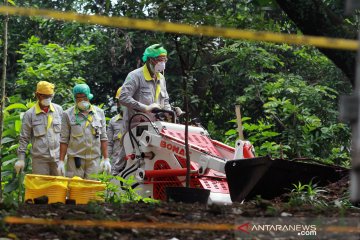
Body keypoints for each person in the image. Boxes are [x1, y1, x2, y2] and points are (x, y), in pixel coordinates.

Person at [59, 83, 110, 179]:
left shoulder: (99, 113)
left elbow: (103, 137)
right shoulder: (67, 114)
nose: (82, 100)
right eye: (78, 98)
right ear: (75, 98)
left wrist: (106, 158)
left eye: (84, 97)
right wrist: (61, 161)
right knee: (75, 189)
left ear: (89, 97)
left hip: (94, 160)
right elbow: (64, 140)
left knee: (91, 190)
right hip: (75, 160)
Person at [119, 43, 172, 132]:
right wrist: (145, 108)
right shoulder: (135, 76)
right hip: (135, 129)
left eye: (164, 60)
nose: (162, 63)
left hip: (155, 127)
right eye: (159, 60)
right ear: (149, 59)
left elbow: (165, 100)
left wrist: (169, 113)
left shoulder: (161, 78)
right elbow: (123, 97)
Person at [15, 81, 63, 175]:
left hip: (57, 158)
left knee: (59, 187)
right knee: (41, 187)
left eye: (50, 96)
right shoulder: (30, 114)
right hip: (40, 160)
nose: (47, 99)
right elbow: (24, 138)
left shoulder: (59, 110)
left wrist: (63, 158)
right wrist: (21, 159)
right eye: (44, 96)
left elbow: (65, 134)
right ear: (37, 95)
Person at [107, 87, 125, 175]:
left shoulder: (138, 120)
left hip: (132, 162)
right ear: (117, 104)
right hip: (116, 162)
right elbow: (109, 143)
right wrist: (106, 159)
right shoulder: (113, 121)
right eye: (120, 102)